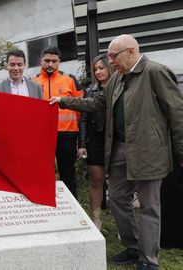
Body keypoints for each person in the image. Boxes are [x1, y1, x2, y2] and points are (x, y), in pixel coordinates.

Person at [49, 34, 183, 270]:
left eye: (114, 55)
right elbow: (96, 104)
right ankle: (133, 247)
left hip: (148, 152)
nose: (110, 61)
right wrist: (63, 101)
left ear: (131, 51)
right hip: (119, 148)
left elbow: (178, 115)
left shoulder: (156, 72)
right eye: (109, 56)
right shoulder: (117, 79)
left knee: (150, 205)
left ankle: (149, 261)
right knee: (118, 199)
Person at [32, 47, 83, 198]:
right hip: (42, 136)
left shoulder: (70, 80)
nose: (50, 64)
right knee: (42, 175)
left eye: (54, 61)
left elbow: (81, 108)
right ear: (40, 60)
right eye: (47, 60)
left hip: (67, 135)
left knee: (68, 175)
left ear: (59, 62)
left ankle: (73, 209)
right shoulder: (32, 82)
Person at [77, 54, 114, 230]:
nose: (98, 72)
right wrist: (82, 144)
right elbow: (83, 119)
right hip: (95, 139)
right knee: (96, 179)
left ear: (110, 67)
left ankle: (123, 222)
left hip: (117, 139)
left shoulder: (122, 86)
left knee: (118, 182)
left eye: (101, 68)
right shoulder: (90, 91)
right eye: (95, 69)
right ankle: (96, 219)